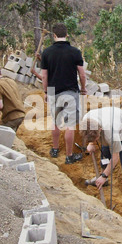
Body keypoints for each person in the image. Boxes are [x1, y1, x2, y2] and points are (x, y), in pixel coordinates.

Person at [80, 107, 122, 210]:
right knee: (105, 152)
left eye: (97, 138)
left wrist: (105, 175)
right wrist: (91, 143)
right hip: (109, 121)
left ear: (100, 130)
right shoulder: (86, 121)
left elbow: (115, 157)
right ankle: (102, 180)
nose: (98, 140)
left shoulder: (111, 133)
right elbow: (90, 134)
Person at [41, 23, 87, 164]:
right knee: (70, 124)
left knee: (55, 122)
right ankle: (69, 156)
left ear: (54, 35)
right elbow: (82, 74)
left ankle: (54, 149)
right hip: (70, 91)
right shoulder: (75, 52)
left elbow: (44, 76)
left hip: (53, 91)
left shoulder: (47, 52)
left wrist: (45, 91)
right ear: (67, 35)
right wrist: (83, 88)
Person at [0, 65, 25, 131]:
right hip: (21, 115)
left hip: (12, 117)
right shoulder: (11, 81)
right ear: (0, 72)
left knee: (1, 136)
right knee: (11, 137)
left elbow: (0, 105)